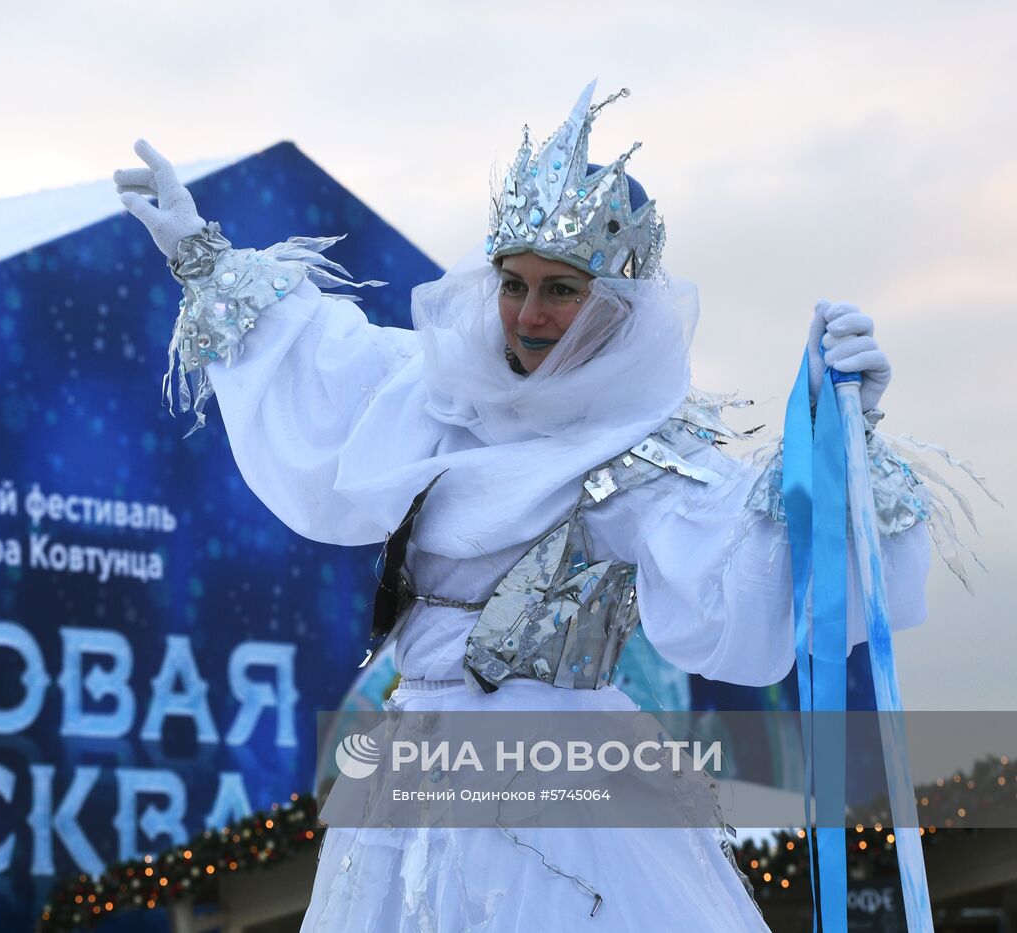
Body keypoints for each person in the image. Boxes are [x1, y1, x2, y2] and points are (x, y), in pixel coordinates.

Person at [114, 81, 956, 931]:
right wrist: (199, 252)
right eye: (514, 283)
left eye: (562, 289)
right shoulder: (436, 391)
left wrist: (839, 432)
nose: (529, 314)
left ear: (614, 303)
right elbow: (324, 366)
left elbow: (745, 556)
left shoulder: (638, 447)